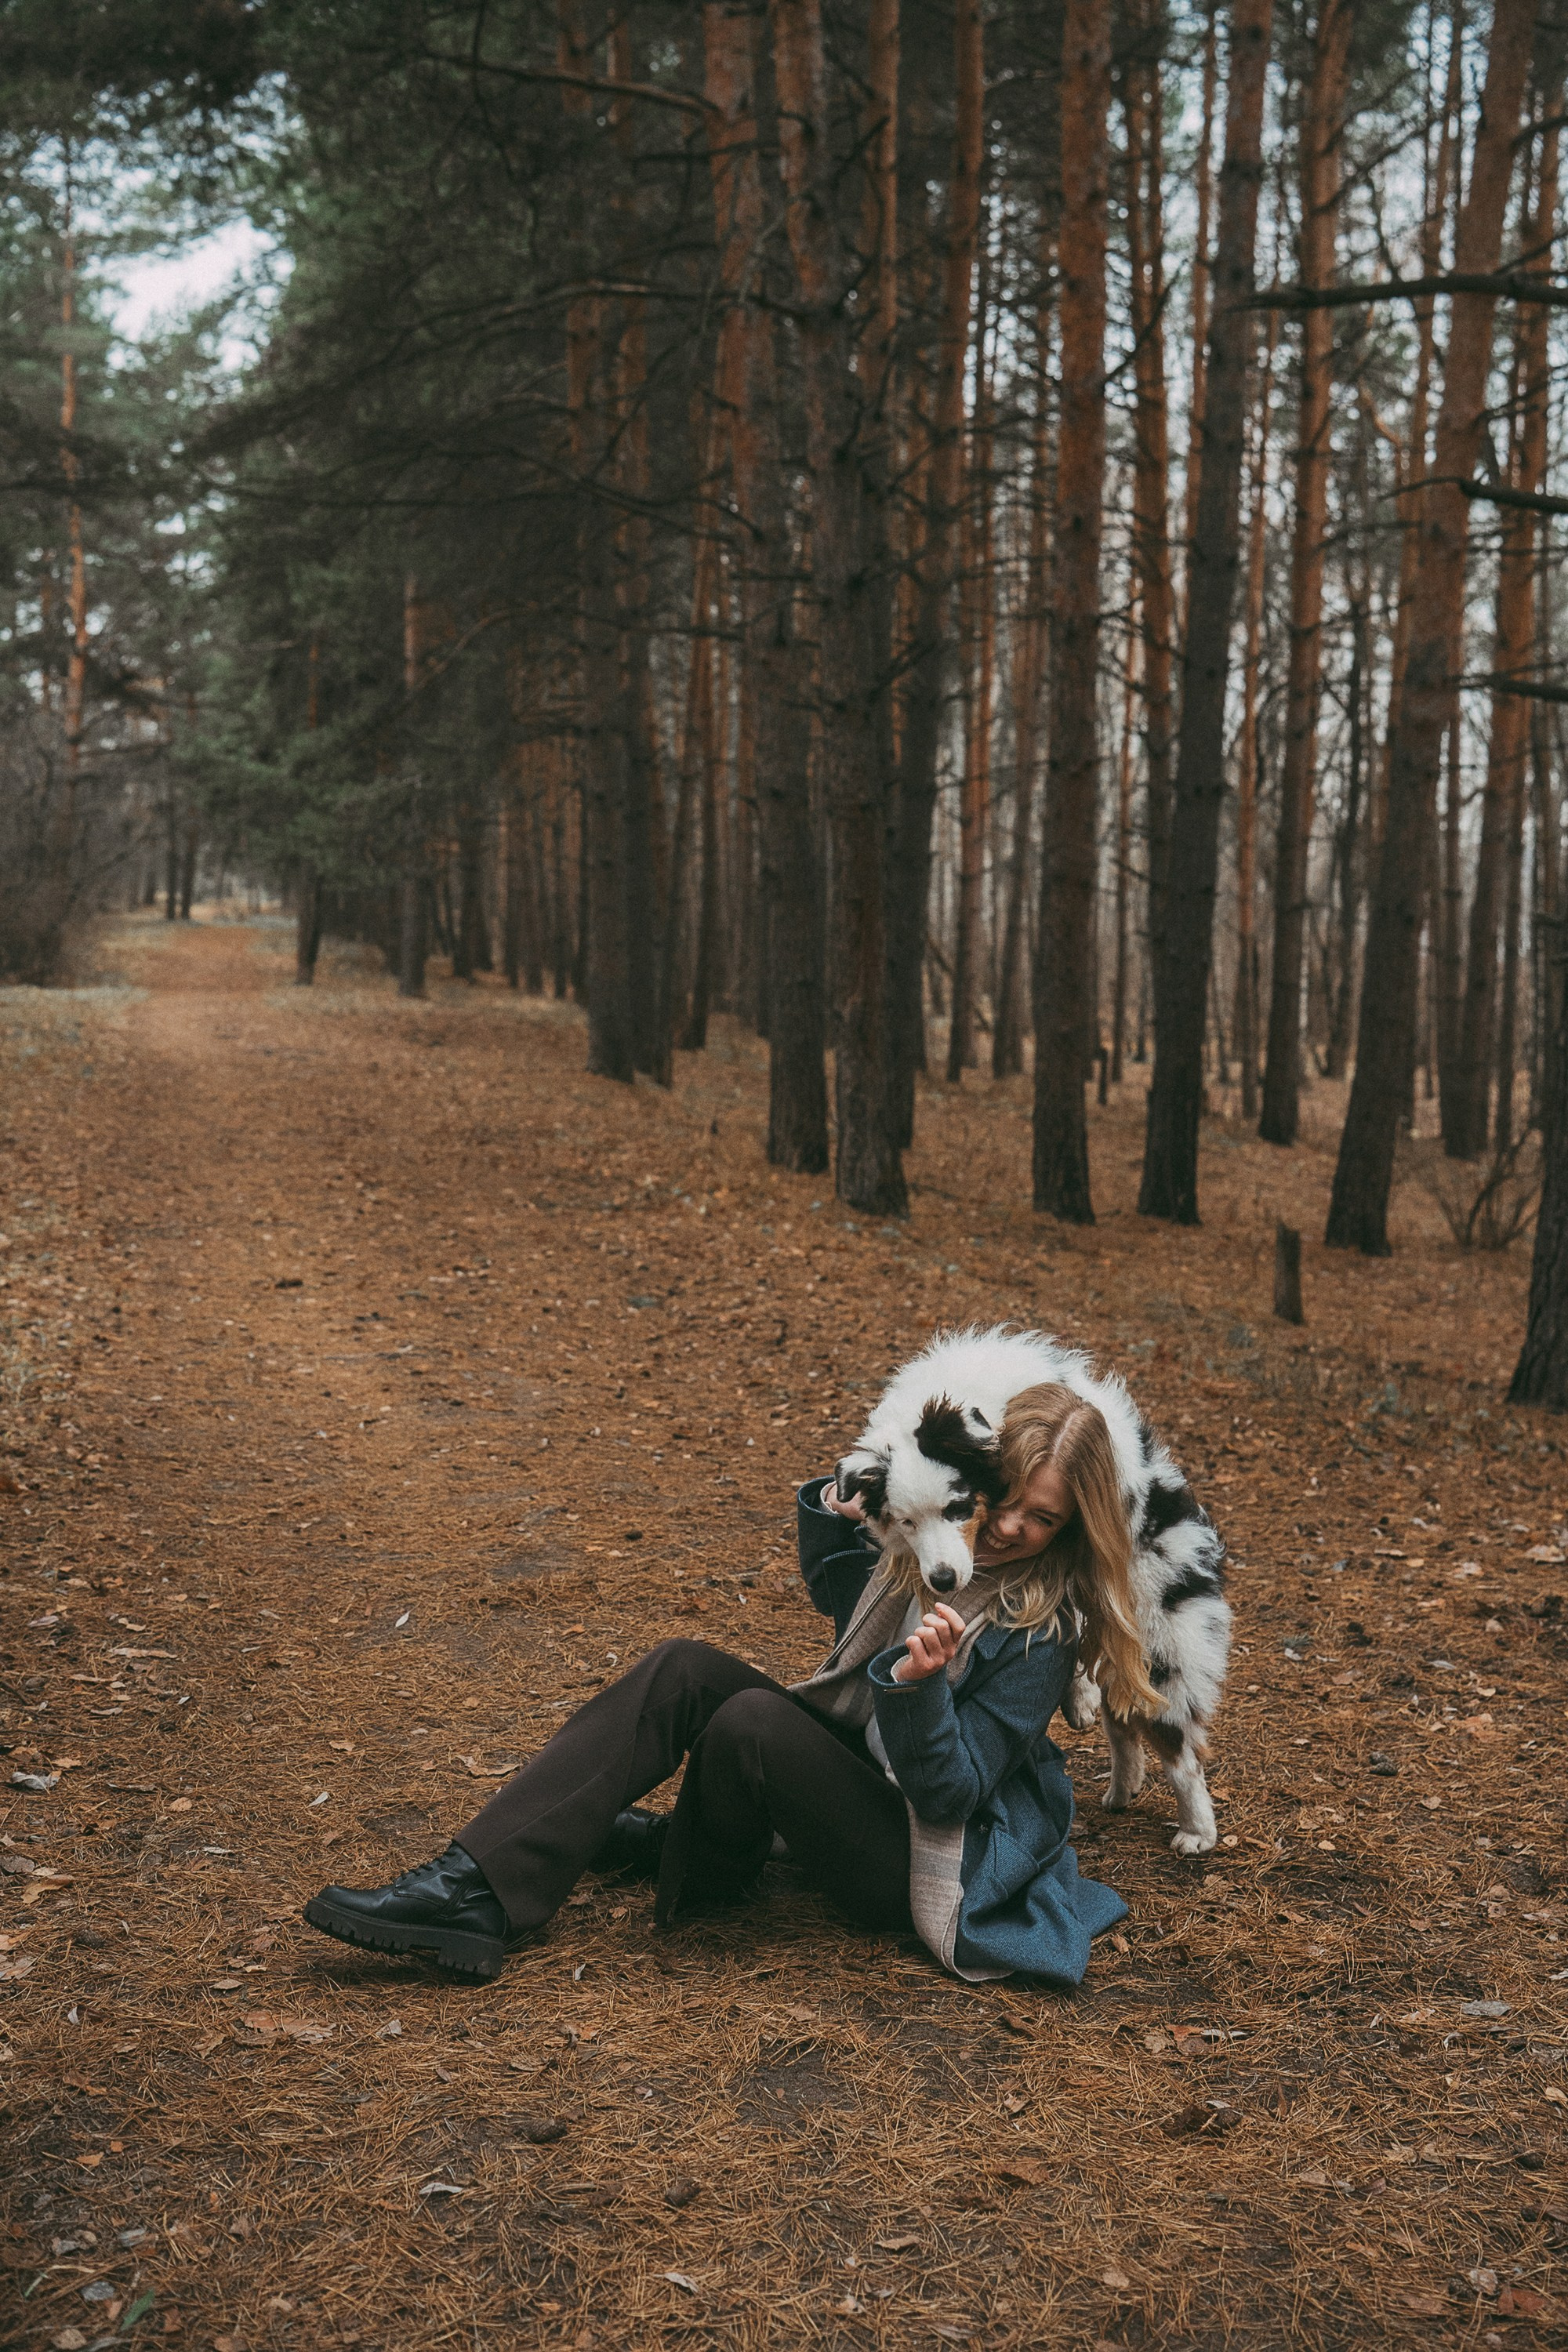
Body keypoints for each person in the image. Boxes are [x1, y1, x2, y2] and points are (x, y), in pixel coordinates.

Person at [303, 1381, 1159, 1984]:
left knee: (752, 1722)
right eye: (1006, 1497)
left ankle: (691, 1858)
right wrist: (834, 1506)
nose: (1009, 1525)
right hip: (866, 1773)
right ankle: (475, 1888)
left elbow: (950, 1795)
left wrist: (923, 1685)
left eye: (1043, 1518)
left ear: (1073, 1526)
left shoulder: (1039, 1629)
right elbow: (842, 1602)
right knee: (685, 1667)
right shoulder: (934, 1544)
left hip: (918, 1856)